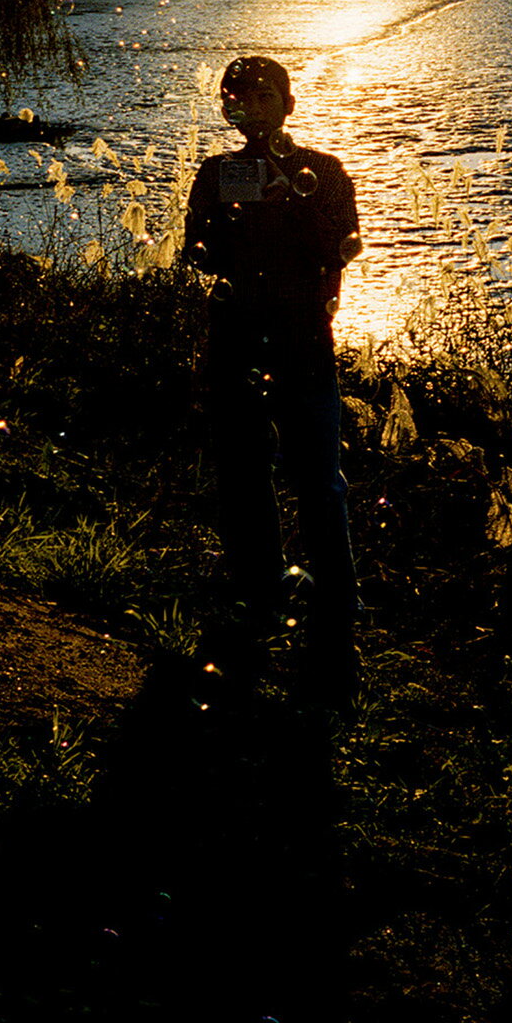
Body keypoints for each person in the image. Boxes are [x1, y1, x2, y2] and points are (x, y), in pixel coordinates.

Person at [182, 56, 364, 712]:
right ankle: (260, 590)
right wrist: (220, 230)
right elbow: (198, 253)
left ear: (289, 105)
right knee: (243, 470)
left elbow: (341, 248)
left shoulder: (325, 172)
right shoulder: (216, 174)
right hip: (235, 341)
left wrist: (295, 205)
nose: (252, 110)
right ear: (227, 110)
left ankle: (337, 605)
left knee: (319, 477)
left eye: (265, 97)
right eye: (239, 99)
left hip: (303, 344)